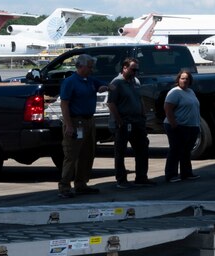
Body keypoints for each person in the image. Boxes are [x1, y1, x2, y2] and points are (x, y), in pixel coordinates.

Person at [58, 51, 100, 194]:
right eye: (89, 67)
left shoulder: (90, 80)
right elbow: (64, 104)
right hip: (76, 121)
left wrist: (107, 87)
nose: (91, 69)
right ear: (80, 66)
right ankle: (64, 186)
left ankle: (81, 183)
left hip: (89, 121)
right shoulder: (70, 82)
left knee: (87, 153)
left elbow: (103, 85)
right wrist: (69, 125)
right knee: (72, 154)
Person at [107, 54, 150, 188]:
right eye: (133, 69)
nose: (135, 72)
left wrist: (143, 115)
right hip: (124, 121)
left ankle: (141, 177)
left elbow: (140, 99)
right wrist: (119, 121)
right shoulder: (116, 83)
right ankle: (121, 180)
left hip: (137, 121)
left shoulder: (135, 81)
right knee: (120, 152)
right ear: (124, 68)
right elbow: (111, 104)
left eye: (136, 70)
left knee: (142, 149)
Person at [163, 67, 202, 183]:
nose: (184, 81)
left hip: (191, 126)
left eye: (187, 79)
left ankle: (186, 173)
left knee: (186, 151)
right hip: (178, 126)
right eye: (182, 78)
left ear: (190, 81)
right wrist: (174, 124)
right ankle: (171, 175)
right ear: (178, 79)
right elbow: (167, 108)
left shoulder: (190, 92)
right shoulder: (175, 92)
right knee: (175, 150)